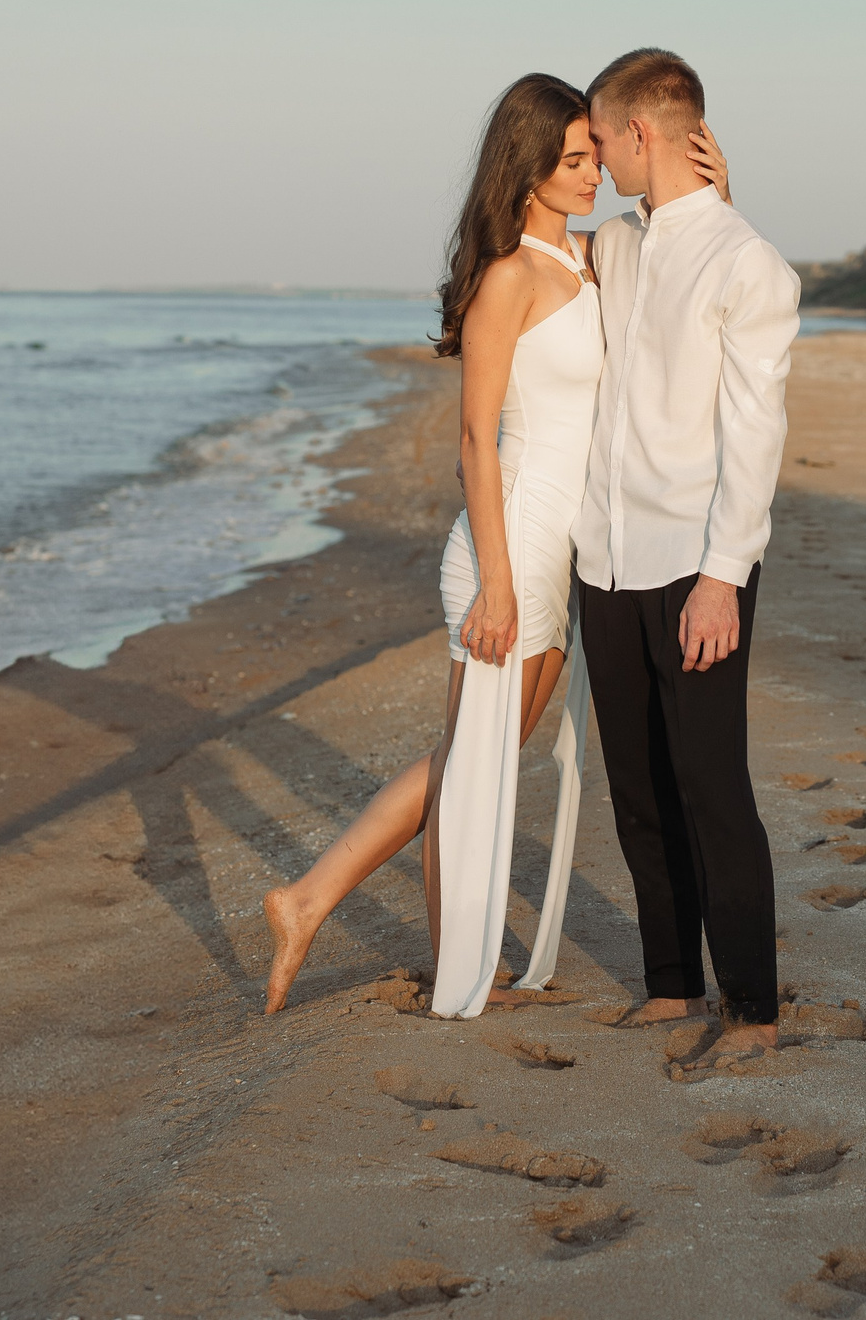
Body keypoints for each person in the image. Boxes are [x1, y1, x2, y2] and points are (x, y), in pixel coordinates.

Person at [260, 72, 728, 1015]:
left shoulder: (590, 260)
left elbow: (686, 262)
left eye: (595, 153)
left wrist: (718, 189)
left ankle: (327, 904)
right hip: (506, 546)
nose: (593, 172)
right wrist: (498, 585)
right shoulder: (511, 280)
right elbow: (476, 439)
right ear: (525, 171)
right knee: (472, 760)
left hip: (562, 549)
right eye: (572, 160)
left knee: (476, 759)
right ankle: (402, 945)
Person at [573, 48, 800, 1059]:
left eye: (598, 137)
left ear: (640, 134)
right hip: (603, 559)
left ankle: (751, 1005)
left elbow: (756, 434)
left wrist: (722, 578)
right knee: (638, 784)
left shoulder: (747, 262)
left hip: (694, 563)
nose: (593, 157)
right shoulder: (616, 247)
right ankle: (671, 980)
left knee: (712, 786)